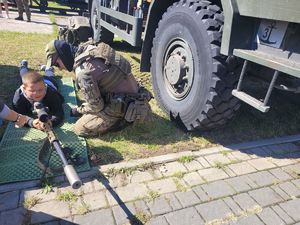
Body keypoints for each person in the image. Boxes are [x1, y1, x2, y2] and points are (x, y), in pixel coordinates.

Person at [45, 39, 152, 137]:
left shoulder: (83, 71)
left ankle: (121, 120)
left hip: (123, 105)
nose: (59, 69)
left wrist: (79, 110)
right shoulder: (91, 49)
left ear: (62, 55)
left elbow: (96, 106)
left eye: (57, 64)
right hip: (136, 94)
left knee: (80, 128)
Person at [12, 61, 64, 130]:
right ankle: (23, 67)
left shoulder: (51, 93)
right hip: (30, 82)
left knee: (50, 76)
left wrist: (52, 121)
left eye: (40, 90)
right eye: (32, 91)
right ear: (24, 89)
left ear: (45, 87)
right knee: (24, 76)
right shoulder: (18, 98)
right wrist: (31, 122)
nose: (37, 93)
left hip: (48, 82)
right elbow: (17, 116)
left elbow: (58, 111)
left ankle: (49, 69)